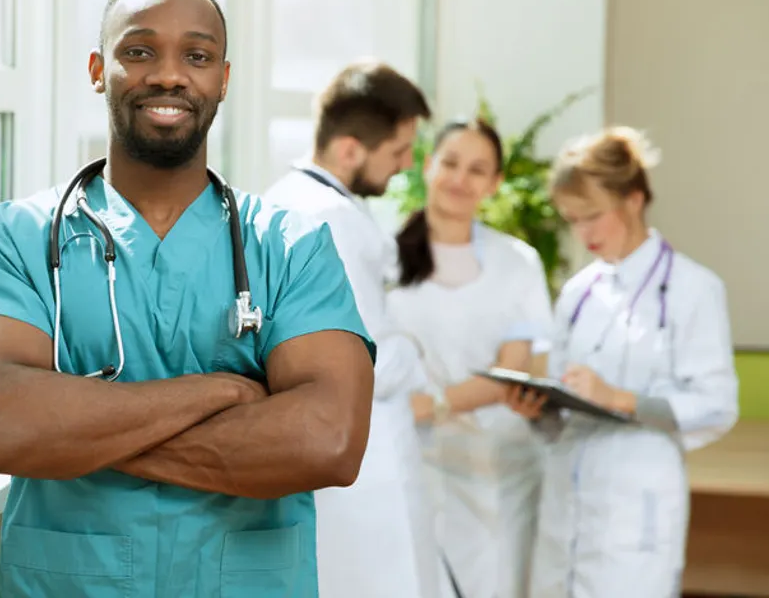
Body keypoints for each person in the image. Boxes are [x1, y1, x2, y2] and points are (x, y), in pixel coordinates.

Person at [0, 0, 378, 598]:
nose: (169, 74)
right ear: (98, 69)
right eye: (139, 51)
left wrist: (72, 430)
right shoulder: (19, 238)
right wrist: (216, 393)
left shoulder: (290, 246)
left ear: (223, 79)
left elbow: (328, 442)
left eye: (196, 56)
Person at [505, 127, 739, 597]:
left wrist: (619, 398)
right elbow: (567, 411)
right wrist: (539, 412)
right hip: (565, 503)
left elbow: (716, 405)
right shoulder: (578, 292)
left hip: (636, 511)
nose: (582, 233)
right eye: (572, 220)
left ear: (633, 199)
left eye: (592, 216)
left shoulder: (693, 289)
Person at [264, 60, 449, 598]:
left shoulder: (283, 198)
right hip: (370, 467)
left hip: (323, 455)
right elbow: (368, 358)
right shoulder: (333, 218)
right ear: (350, 150)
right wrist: (413, 351)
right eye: (397, 152)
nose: (407, 165)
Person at [386, 117, 554, 598]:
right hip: (412, 462)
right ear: (427, 165)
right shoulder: (385, 256)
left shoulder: (516, 262)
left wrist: (432, 405)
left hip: (498, 472)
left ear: (495, 183)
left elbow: (513, 370)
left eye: (478, 170)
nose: (461, 179)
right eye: (451, 163)